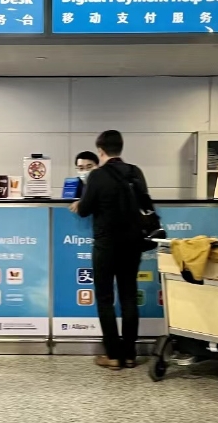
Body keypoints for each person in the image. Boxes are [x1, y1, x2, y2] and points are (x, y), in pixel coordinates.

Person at [70, 130, 148, 370]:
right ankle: (130, 354)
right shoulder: (135, 172)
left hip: (106, 244)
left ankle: (113, 355)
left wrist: (80, 203)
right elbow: (145, 204)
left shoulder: (97, 175)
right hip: (133, 244)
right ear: (120, 148)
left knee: (105, 299)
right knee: (128, 296)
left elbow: (85, 209)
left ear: (100, 150)